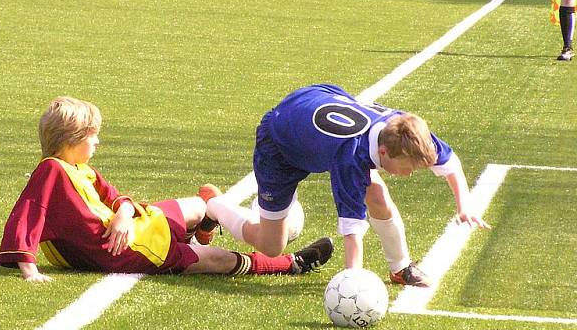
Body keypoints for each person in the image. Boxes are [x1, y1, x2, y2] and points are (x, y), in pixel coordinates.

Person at [0, 96, 333, 282]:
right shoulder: (51, 171)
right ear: (70, 140)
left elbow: (114, 197)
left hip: (135, 229)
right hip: (128, 252)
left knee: (198, 205)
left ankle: (204, 224)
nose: (98, 141)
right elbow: (28, 215)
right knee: (216, 260)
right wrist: (29, 268)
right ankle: (290, 263)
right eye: (92, 136)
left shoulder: (78, 167)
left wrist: (125, 213)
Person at [202, 83, 490, 287]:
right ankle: (214, 206)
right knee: (271, 245)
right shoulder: (351, 157)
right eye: (407, 168)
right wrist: (352, 283)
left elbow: (451, 166)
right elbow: (352, 230)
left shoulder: (408, 131)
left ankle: (400, 268)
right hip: (281, 142)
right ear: (385, 153)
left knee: (377, 193)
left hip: (317, 102)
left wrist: (464, 206)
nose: (411, 174)